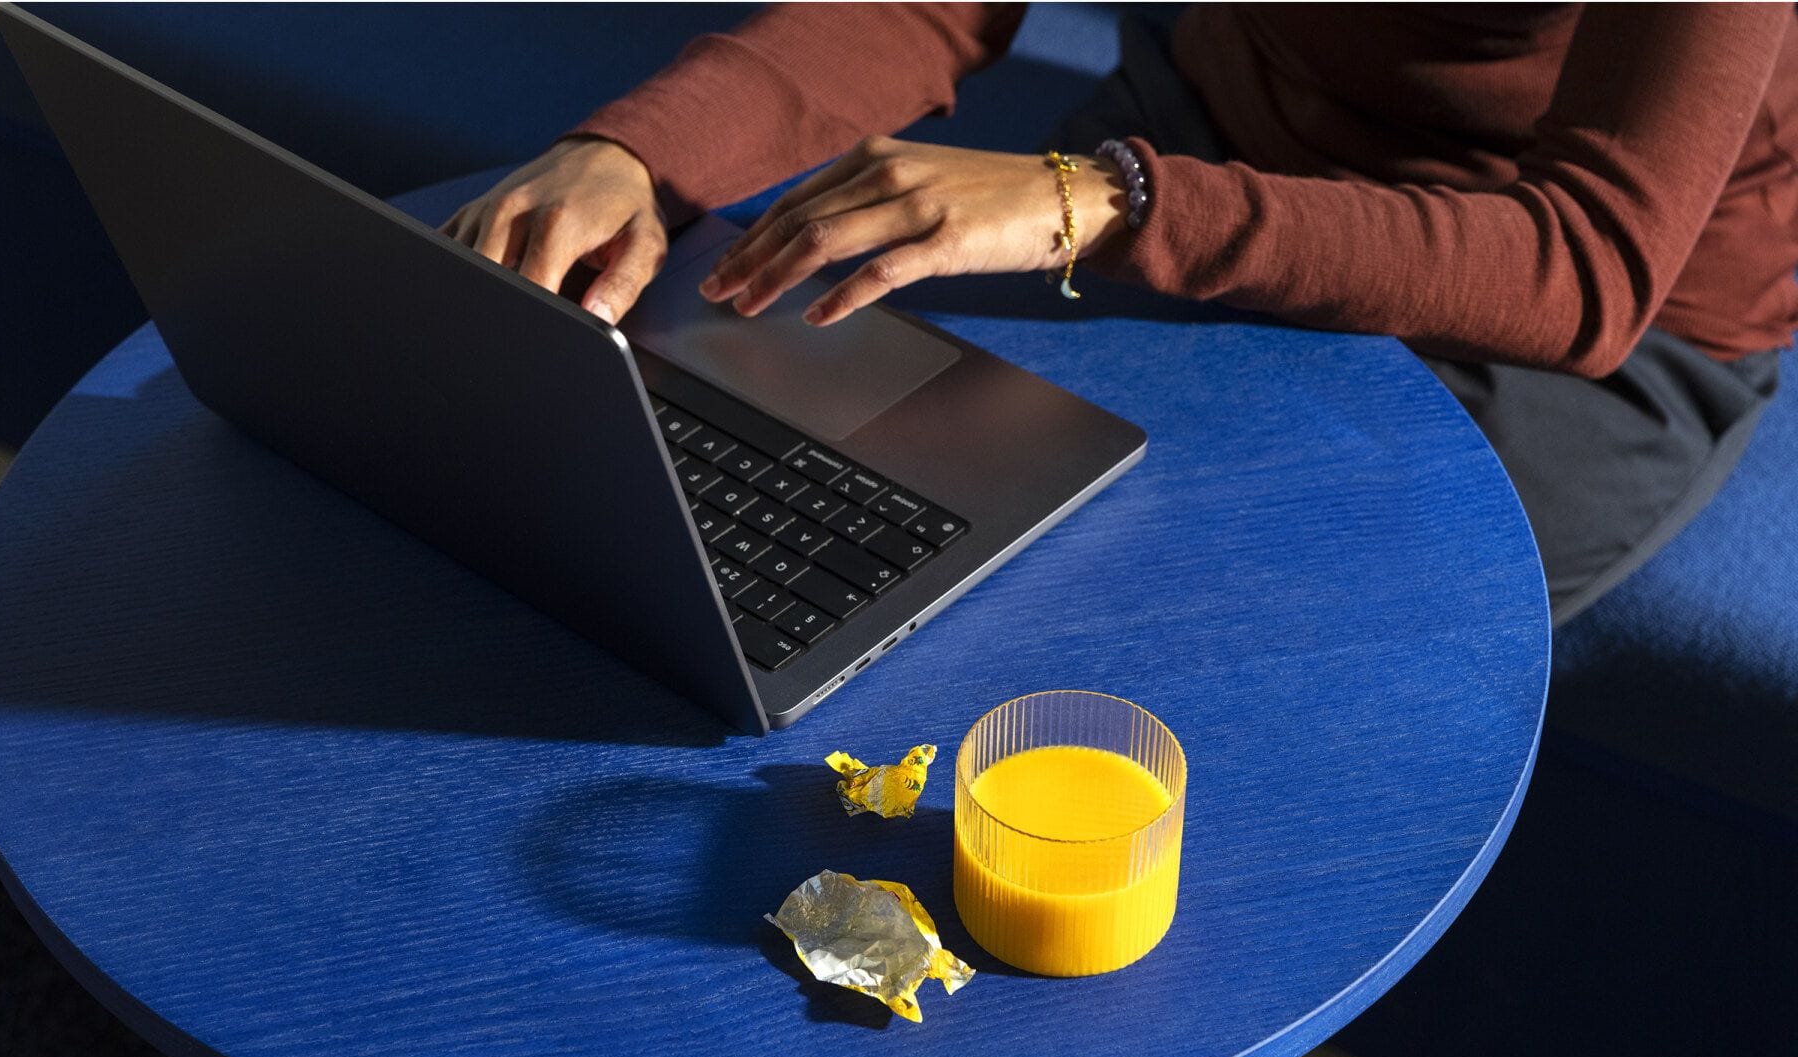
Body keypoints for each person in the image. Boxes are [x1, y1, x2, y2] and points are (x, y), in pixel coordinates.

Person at [441, 3, 1798, 625]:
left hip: (1565, 308)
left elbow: (1590, 259)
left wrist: (1107, 200)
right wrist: (642, 153)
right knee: (874, 518)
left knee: (1179, 634)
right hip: (1222, 133)